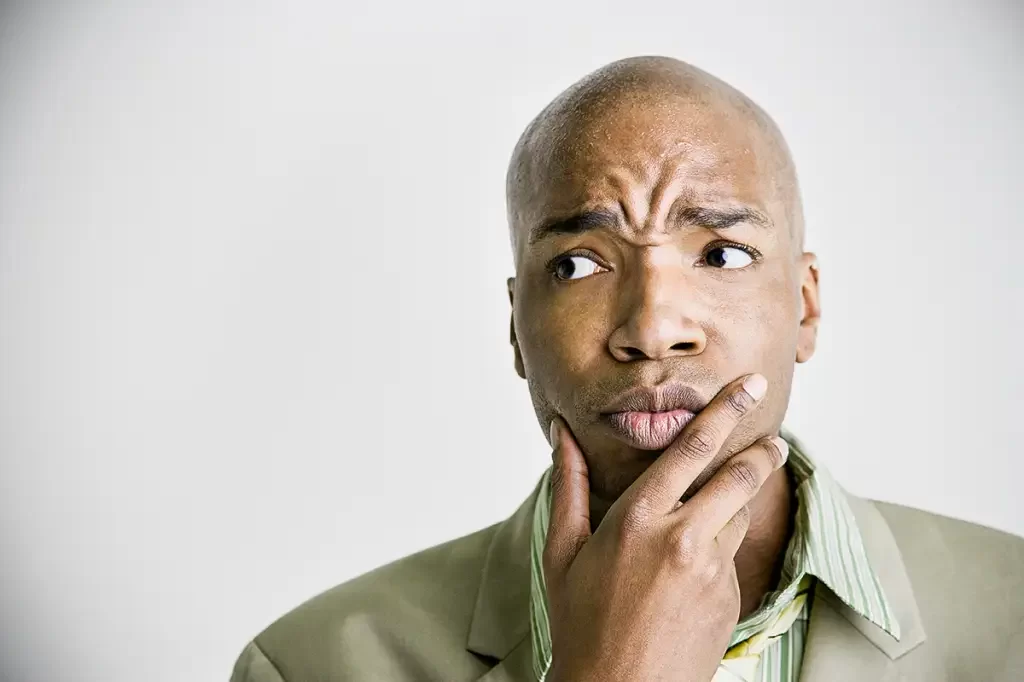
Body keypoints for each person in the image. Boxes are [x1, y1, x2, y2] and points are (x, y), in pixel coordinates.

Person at [229, 56, 1024, 682]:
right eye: (578, 264)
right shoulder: (309, 667)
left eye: (723, 253)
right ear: (516, 328)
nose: (651, 330)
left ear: (806, 308)